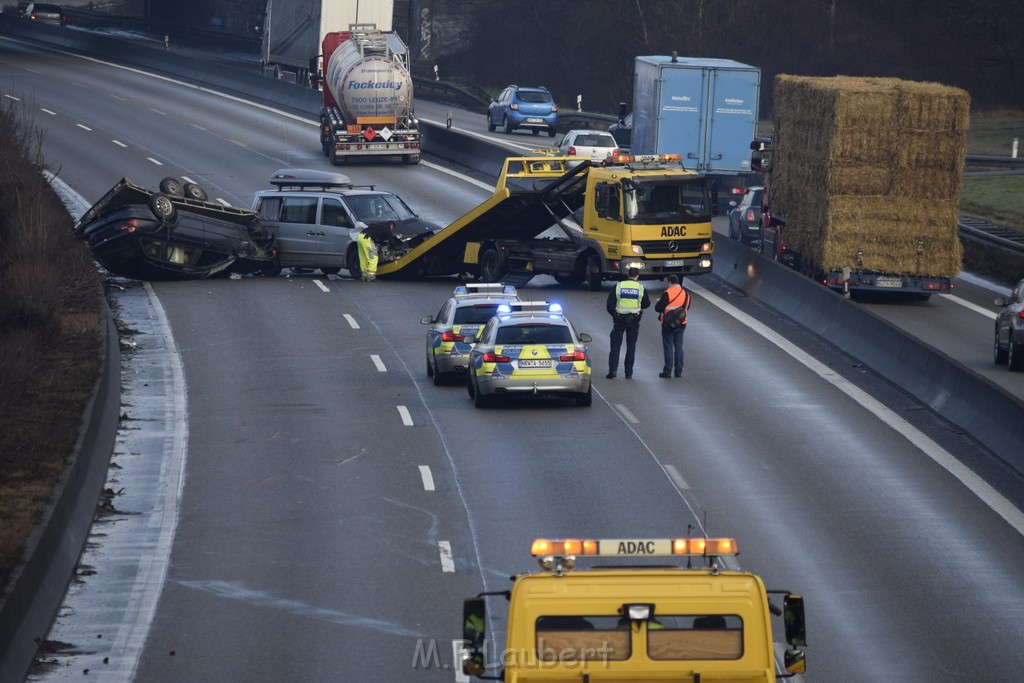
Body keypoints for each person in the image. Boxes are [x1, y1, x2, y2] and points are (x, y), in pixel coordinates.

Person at [606, 267, 650, 379]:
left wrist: (615, 315)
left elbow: (610, 305)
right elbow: (646, 303)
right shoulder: (640, 288)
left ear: (628, 275)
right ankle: (628, 373)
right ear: (637, 276)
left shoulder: (618, 286)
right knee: (631, 347)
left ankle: (613, 371)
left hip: (619, 320)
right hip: (634, 321)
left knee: (615, 346)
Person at [654, 274, 691, 378]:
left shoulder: (667, 293)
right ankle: (678, 371)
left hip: (668, 325)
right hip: (681, 324)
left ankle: (667, 371)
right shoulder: (686, 294)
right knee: (679, 347)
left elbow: (658, 308)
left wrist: (660, 302)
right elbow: (687, 307)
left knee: (668, 347)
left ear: (669, 282)